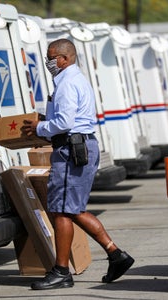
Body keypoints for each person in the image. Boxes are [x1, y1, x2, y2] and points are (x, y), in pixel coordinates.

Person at [22, 38, 134, 290]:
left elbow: (64, 121)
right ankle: (116, 255)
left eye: (52, 57)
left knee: (62, 210)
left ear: (65, 58)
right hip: (79, 147)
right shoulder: (72, 80)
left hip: (72, 149)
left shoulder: (67, 83)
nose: (48, 62)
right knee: (72, 209)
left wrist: (39, 127)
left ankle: (62, 271)